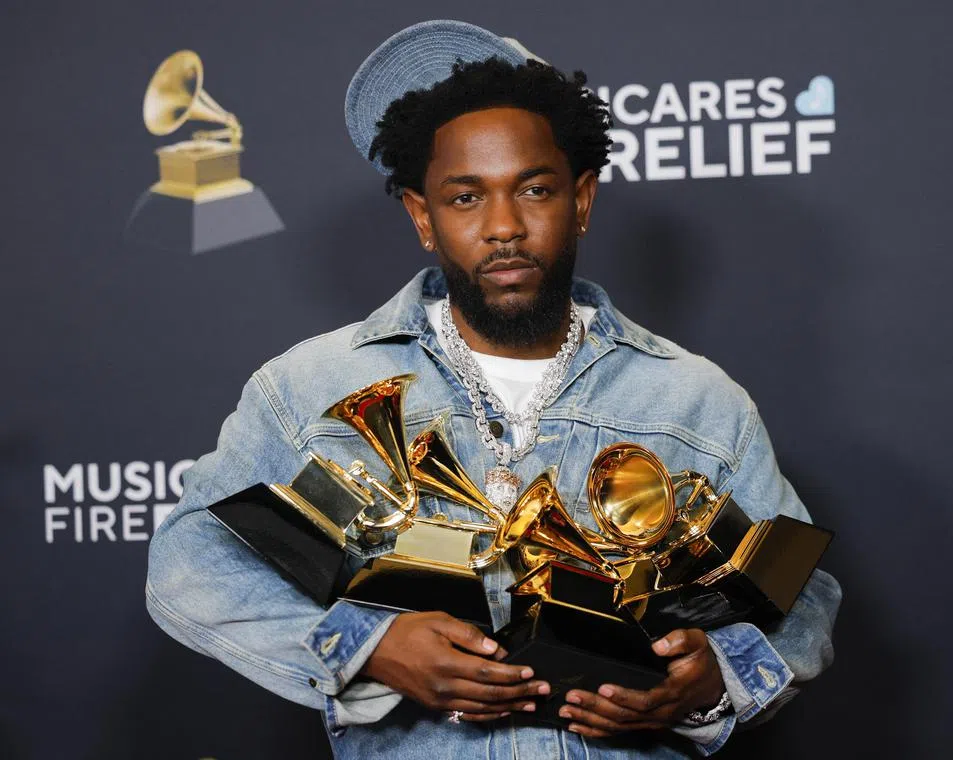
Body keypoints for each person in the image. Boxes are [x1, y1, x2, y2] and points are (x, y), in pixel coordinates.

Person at [146, 19, 841, 760]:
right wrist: (369, 647)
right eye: (466, 198)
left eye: (534, 190)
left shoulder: (698, 398)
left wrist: (712, 681)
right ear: (423, 216)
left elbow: (803, 598)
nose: (504, 227)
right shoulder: (309, 387)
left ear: (581, 200)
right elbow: (190, 562)